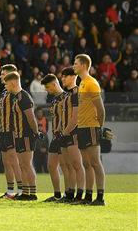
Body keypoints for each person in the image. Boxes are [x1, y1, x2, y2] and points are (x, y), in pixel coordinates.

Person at [73, 54, 106, 206]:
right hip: (82, 128)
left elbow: (101, 109)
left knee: (95, 162)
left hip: (91, 127)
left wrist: (100, 127)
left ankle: (100, 198)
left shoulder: (92, 83)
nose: (74, 65)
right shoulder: (82, 83)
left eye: (76, 63)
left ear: (84, 66)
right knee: (86, 163)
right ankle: (88, 196)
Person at [4, 71, 40, 200]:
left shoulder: (23, 97)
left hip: (26, 135)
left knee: (27, 164)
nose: (5, 86)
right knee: (22, 165)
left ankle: (32, 193)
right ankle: (25, 192)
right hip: (19, 135)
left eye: (6, 83)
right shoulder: (16, 97)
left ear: (13, 82)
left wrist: (36, 133)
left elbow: (31, 118)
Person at [41, 74, 69, 201]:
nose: (47, 90)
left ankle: (68, 194)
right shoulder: (54, 100)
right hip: (55, 137)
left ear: (54, 84)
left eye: (47, 87)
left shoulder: (66, 97)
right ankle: (57, 194)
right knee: (51, 165)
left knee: (65, 165)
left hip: (64, 136)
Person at [60, 67, 86, 203]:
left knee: (76, 164)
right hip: (65, 133)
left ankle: (79, 194)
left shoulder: (76, 92)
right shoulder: (67, 94)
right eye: (62, 76)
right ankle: (69, 194)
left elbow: (75, 118)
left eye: (65, 76)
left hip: (73, 132)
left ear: (73, 77)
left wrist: (65, 132)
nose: (62, 79)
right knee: (68, 165)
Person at [0, 64, 23, 199]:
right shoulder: (4, 92)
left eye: (3, 73)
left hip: (12, 130)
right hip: (3, 131)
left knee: (14, 160)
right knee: (6, 161)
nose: (1, 75)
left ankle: (21, 190)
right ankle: (10, 190)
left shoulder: (15, 93)